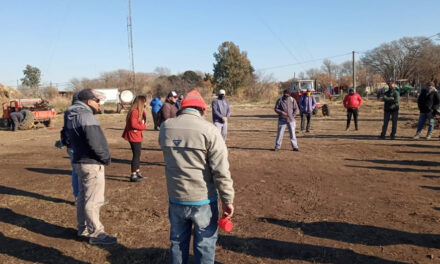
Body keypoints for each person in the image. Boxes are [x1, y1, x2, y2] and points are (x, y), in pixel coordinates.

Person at [159, 90, 234, 264]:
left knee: (177, 241)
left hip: (176, 197)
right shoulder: (210, 130)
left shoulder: (166, 127)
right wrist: (227, 200)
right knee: (205, 244)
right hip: (202, 199)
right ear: (203, 110)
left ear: (182, 108)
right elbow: (221, 171)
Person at [65, 88, 117, 245]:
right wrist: (105, 157)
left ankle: (83, 229)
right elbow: (95, 141)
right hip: (91, 163)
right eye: (98, 101)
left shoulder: (71, 115)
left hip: (79, 161)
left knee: (82, 197)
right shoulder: (86, 116)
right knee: (93, 199)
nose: (99, 104)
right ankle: (96, 233)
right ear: (89, 101)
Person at [58, 93, 79, 202]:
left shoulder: (69, 111)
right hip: (76, 146)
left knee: (77, 171)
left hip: (71, 145)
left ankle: (79, 197)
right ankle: (80, 198)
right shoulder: (76, 111)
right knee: (79, 172)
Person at [122, 95, 148, 182]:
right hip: (134, 136)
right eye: (144, 101)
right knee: (136, 155)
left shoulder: (139, 111)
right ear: (141, 102)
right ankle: (133, 175)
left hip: (136, 135)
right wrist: (144, 127)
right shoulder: (135, 112)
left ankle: (137, 172)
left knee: (138, 154)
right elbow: (133, 125)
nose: (146, 103)